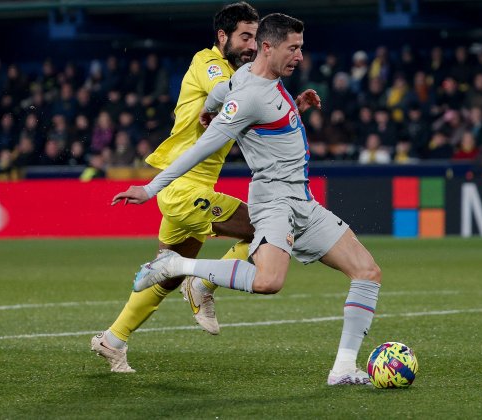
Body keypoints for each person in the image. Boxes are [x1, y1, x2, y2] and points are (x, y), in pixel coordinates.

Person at [112, 13, 382, 386]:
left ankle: (342, 370)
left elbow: (222, 96)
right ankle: (178, 267)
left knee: (367, 272)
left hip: (302, 202)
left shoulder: (254, 81)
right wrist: (149, 189)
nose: (300, 56)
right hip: (273, 201)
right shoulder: (250, 95)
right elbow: (202, 146)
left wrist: (216, 110)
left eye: (301, 48)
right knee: (269, 282)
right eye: (293, 48)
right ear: (267, 48)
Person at [90, 2, 260, 373]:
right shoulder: (209, 62)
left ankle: (113, 339)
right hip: (184, 188)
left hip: (185, 188)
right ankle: (202, 283)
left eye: (256, 37)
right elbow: (225, 90)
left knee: (165, 274)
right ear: (223, 37)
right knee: (265, 228)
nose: (252, 45)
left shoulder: (243, 77)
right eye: (245, 36)